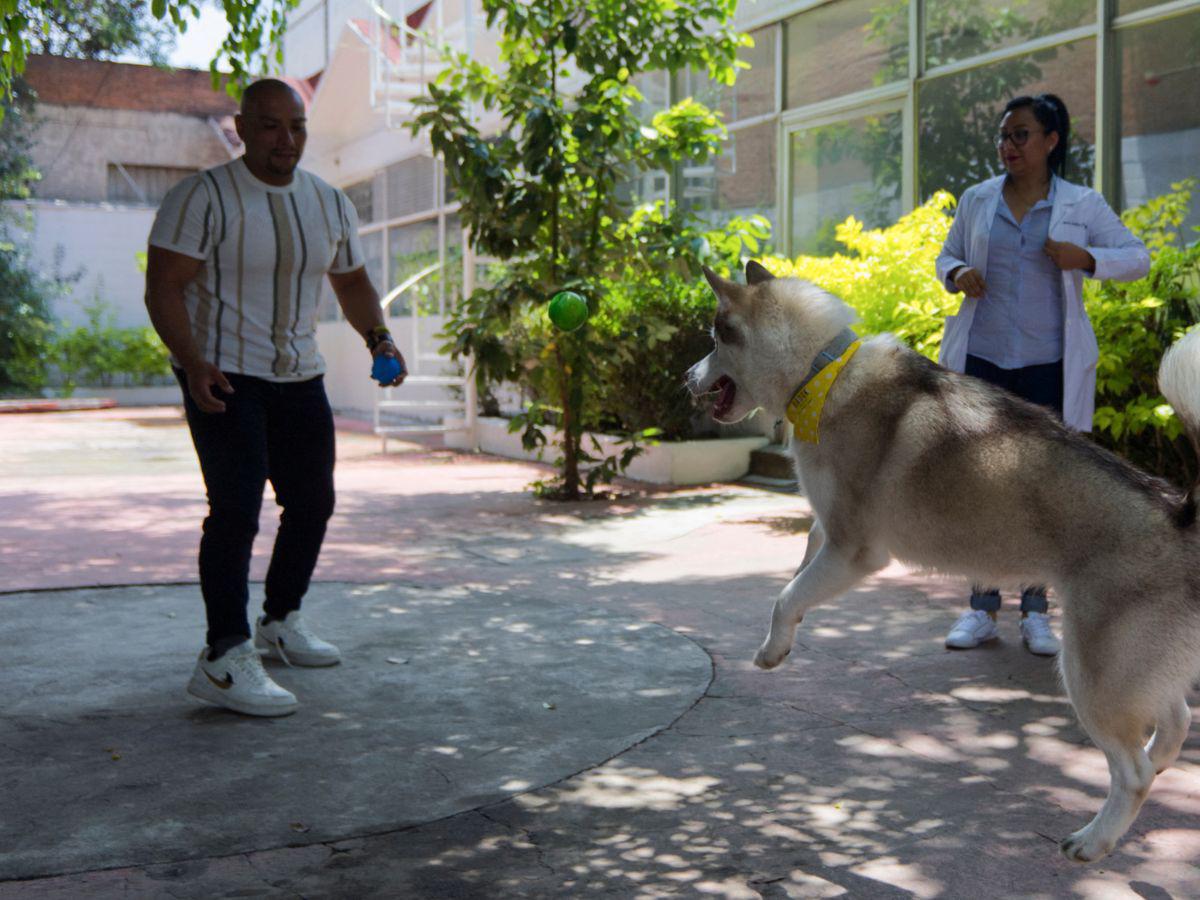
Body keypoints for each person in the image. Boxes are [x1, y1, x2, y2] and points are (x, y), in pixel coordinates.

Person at [145, 79, 405, 716]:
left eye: (296, 126)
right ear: (240, 126)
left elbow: (352, 283)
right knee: (235, 511)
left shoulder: (327, 203)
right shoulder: (201, 197)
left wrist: (379, 339)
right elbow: (163, 289)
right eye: (269, 126)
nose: (285, 140)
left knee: (313, 502)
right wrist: (193, 361)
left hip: (300, 376)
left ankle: (280, 619)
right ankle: (223, 657)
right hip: (226, 374)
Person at [934, 93, 1149, 656]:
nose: (1009, 146)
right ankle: (980, 608)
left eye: (1021, 135)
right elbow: (946, 255)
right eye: (1004, 137)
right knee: (979, 484)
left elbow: (1138, 256)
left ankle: (1035, 612)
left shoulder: (1080, 203)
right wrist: (958, 274)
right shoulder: (978, 200)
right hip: (982, 362)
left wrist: (1087, 259)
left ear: (1051, 142)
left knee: (1043, 490)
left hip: (1050, 366)